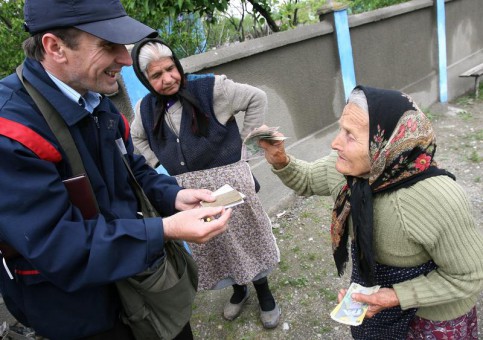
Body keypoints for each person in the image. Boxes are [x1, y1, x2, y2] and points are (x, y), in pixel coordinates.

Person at [0, 1, 232, 339]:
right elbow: (59, 245)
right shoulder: (12, 130)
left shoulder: (95, 98)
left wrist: (174, 195)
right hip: (83, 314)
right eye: (108, 46)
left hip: (140, 279)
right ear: (55, 47)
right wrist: (164, 231)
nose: (125, 59)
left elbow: (133, 168)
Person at [259, 85, 483, 339]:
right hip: (379, 295)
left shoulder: (435, 198)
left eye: (350, 135)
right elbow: (308, 178)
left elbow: (468, 275)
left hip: (431, 316)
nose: (334, 143)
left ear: (386, 145)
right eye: (341, 129)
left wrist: (397, 296)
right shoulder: (346, 171)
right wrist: (280, 160)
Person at [129, 38, 281, 328]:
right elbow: (136, 138)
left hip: (229, 182)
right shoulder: (145, 108)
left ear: (177, 64)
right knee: (215, 242)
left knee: (248, 237)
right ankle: (239, 290)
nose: (168, 78)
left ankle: (264, 293)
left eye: (171, 69)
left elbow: (257, 98)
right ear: (145, 79)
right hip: (188, 191)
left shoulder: (212, 89)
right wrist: (157, 164)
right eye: (156, 75)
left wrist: (245, 151)